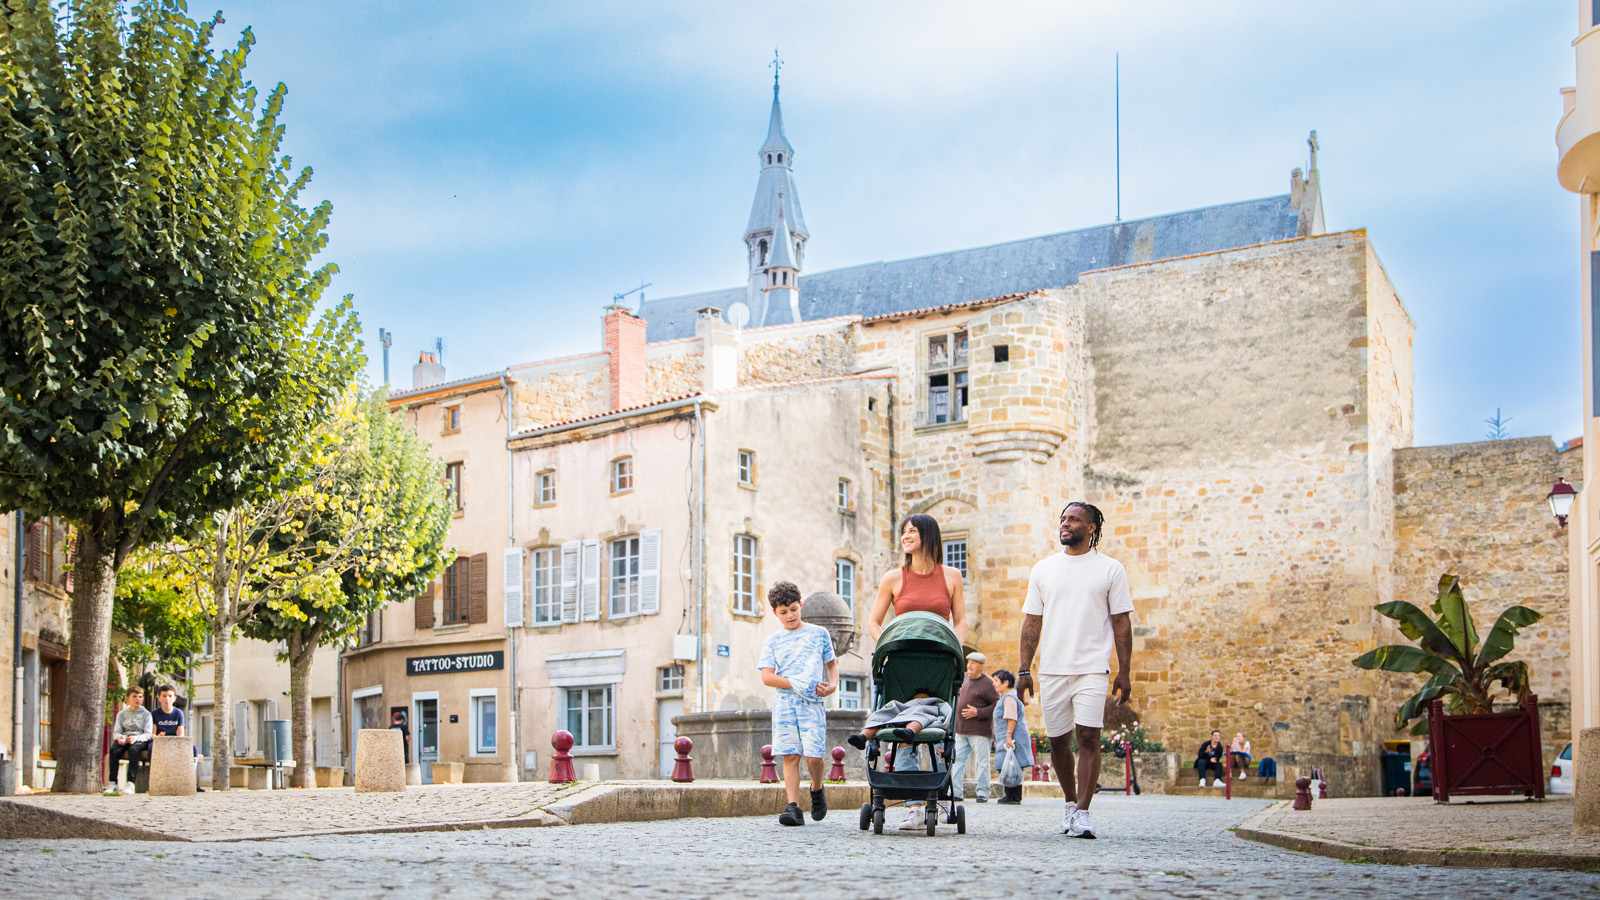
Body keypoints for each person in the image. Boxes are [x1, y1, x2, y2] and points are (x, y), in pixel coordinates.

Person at [1017, 501, 1134, 840]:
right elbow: (1031, 623)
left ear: (1092, 527)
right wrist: (1024, 670)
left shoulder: (1110, 569)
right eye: (1063, 519)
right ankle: (1069, 803)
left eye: (1074, 519)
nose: (1065, 524)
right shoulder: (1043, 569)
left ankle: (1083, 812)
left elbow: (1122, 623)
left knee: (1088, 736)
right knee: (1057, 742)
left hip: (1092, 668)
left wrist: (1124, 671)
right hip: (1052, 668)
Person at [867, 513, 966, 830]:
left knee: (935, 733)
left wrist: (955, 647)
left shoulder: (950, 576)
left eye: (913, 530)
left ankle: (931, 796)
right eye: (903, 531)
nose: (906, 535)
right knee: (905, 737)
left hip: (939, 662)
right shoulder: (893, 578)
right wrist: (885, 642)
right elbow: (874, 621)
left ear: (928, 535)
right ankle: (913, 807)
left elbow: (960, 620)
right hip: (901, 662)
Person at [758, 580, 838, 827]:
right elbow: (767, 676)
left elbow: (832, 666)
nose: (790, 615)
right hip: (785, 703)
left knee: (813, 756)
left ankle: (817, 788)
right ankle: (793, 807)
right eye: (783, 612)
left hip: (812, 703)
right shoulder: (772, 641)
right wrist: (796, 683)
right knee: (790, 755)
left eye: (793, 609)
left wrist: (832, 686)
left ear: (800, 605)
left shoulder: (818, 634)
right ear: (775, 613)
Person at [953, 651, 998, 804]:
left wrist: (977, 712)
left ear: (981, 666)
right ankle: (956, 792)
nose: (969, 666)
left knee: (982, 762)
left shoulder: (989, 683)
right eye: (969, 662)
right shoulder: (964, 678)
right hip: (961, 729)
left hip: (979, 731)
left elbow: (996, 706)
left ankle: (983, 793)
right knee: (957, 760)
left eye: (973, 663)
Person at [847, 691, 950, 749]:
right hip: (902, 716)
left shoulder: (933, 706)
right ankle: (862, 737)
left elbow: (945, 711)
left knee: (918, 716)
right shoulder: (907, 705)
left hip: (922, 716)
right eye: (916, 697)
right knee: (880, 716)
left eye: (923, 697)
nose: (918, 699)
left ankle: (910, 732)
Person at [990, 669, 1033, 805]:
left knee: (1010, 764)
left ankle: (1012, 796)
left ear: (1006, 682)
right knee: (1010, 764)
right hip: (1009, 736)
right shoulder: (1010, 696)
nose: (994, 684)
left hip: (1012, 736)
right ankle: (1013, 796)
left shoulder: (1009, 697)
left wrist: (1008, 736)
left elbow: (1011, 717)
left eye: (996, 681)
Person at [107, 687, 153, 793]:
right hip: (125, 739)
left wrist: (136, 738)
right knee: (114, 750)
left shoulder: (146, 714)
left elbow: (148, 734)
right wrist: (120, 738)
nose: (138, 699)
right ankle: (113, 783)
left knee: (134, 750)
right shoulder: (122, 714)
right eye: (134, 697)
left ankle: (130, 783)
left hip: (139, 740)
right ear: (127, 699)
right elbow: (117, 731)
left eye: (140, 697)